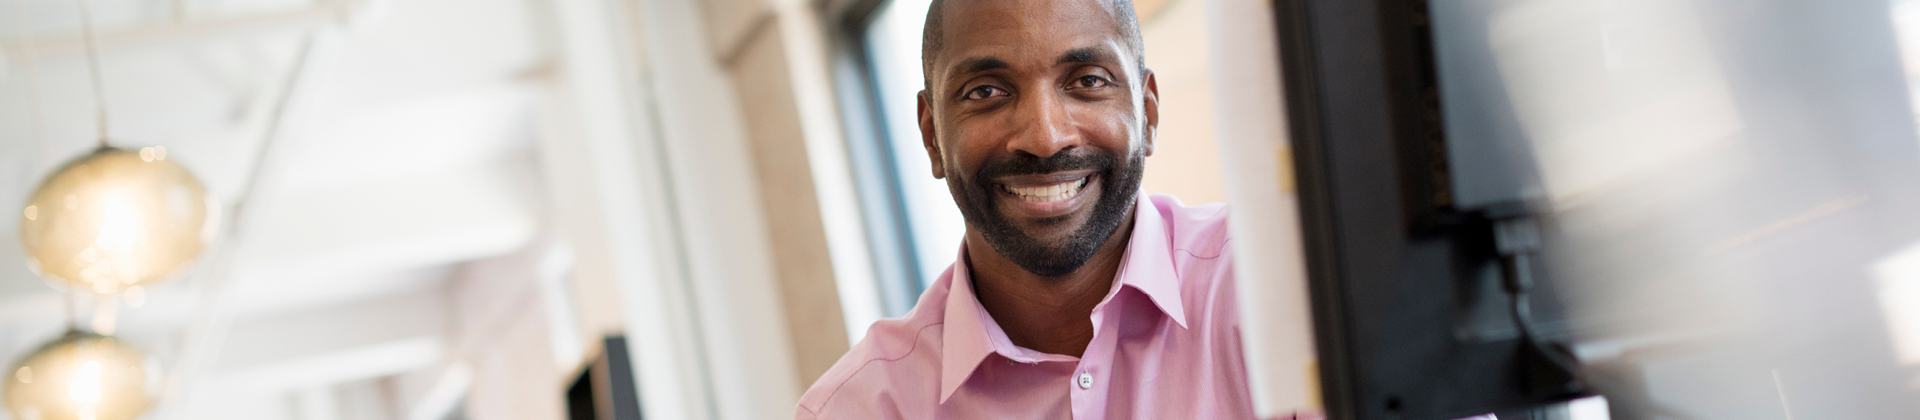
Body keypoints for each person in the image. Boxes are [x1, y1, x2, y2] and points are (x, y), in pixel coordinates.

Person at [794, 0, 1490, 418]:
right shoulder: (861, 410)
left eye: (1087, 81)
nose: (1045, 135)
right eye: (986, 91)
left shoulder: (1305, 293)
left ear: (1147, 111)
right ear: (929, 134)